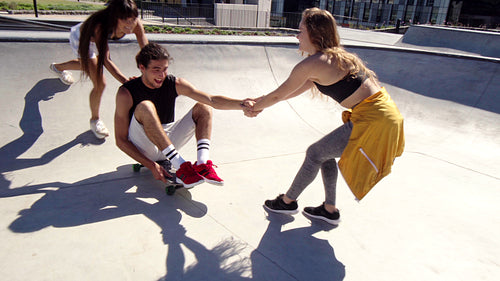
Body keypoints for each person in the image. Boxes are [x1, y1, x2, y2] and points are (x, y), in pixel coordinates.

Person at [243, 8, 405, 225]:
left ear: (314, 34)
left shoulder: (312, 63)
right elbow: (285, 93)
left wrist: (256, 107)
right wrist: (259, 101)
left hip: (373, 120)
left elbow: (278, 95)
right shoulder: (331, 59)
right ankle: (329, 210)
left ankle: (287, 201)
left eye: (300, 31)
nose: (297, 36)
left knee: (314, 153)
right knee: (322, 154)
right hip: (383, 116)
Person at [115, 43, 249, 188]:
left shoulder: (174, 83)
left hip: (168, 143)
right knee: (145, 106)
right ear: (142, 68)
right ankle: (181, 166)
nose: (161, 75)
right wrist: (150, 165)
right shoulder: (126, 92)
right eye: (156, 69)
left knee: (204, 106)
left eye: (165, 69)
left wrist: (243, 104)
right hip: (144, 144)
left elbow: (212, 100)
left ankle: (202, 164)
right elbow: (121, 140)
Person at [50, 0, 148, 139]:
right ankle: (94, 120)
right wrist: (126, 82)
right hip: (81, 39)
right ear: (115, 18)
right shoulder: (100, 27)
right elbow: (106, 60)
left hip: (97, 42)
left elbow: (146, 50)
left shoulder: (135, 23)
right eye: (125, 20)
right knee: (100, 83)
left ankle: (57, 67)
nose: (130, 25)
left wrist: (151, 70)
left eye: (133, 19)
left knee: (88, 66)